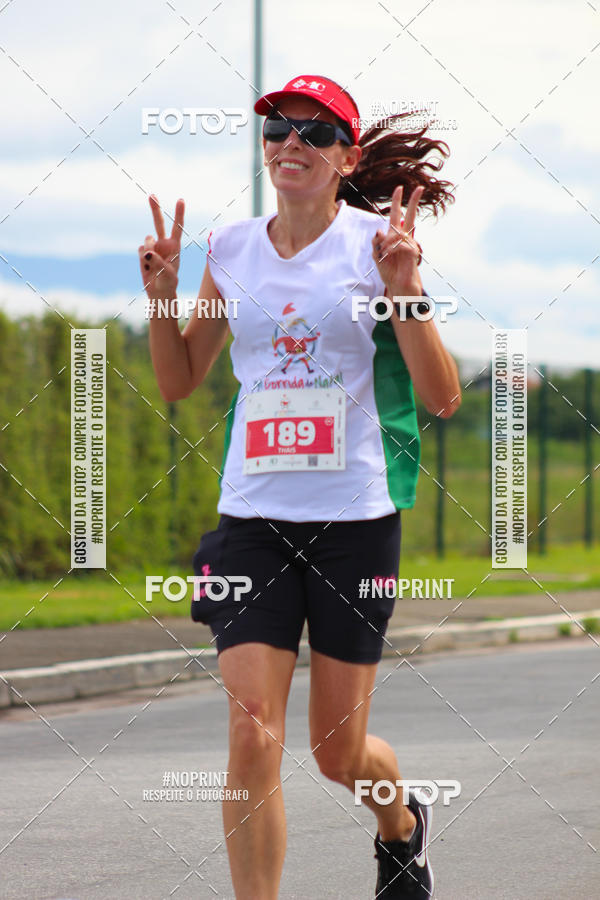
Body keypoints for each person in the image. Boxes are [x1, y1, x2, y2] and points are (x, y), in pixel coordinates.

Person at [139, 74, 461, 899]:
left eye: (314, 133)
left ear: (346, 155)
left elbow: (442, 397)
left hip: (354, 520)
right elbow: (180, 381)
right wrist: (161, 300)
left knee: (337, 755)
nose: (291, 143)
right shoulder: (232, 249)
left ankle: (402, 822)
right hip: (252, 515)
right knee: (252, 732)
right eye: (277, 128)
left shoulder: (377, 247)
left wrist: (405, 290)